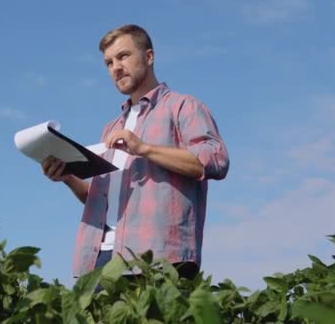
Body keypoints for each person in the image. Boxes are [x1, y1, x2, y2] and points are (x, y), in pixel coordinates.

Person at [42, 24, 229, 280]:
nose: (115, 68)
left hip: (159, 258)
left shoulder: (183, 107)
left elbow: (216, 160)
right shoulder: (112, 127)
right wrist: (67, 177)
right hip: (102, 262)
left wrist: (144, 148)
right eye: (109, 63)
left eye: (123, 56)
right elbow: (99, 199)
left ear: (149, 57)